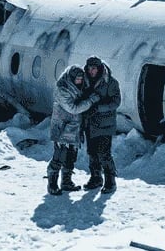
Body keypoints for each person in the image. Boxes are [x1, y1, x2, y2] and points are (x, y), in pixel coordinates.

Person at [47, 65, 99, 196]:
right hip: (62, 129)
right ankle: (52, 184)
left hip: (74, 128)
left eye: (81, 79)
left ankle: (66, 182)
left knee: (71, 157)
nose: (80, 81)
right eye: (77, 79)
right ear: (71, 78)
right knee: (59, 156)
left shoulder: (78, 88)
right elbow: (73, 108)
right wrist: (91, 100)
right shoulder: (62, 90)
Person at [82, 56, 121, 194]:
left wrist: (99, 107)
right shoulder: (85, 81)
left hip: (105, 125)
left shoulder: (110, 82)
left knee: (104, 154)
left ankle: (110, 181)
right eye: (89, 68)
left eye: (94, 68)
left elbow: (116, 102)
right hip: (90, 124)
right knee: (92, 152)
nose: (91, 71)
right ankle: (96, 178)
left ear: (99, 68)